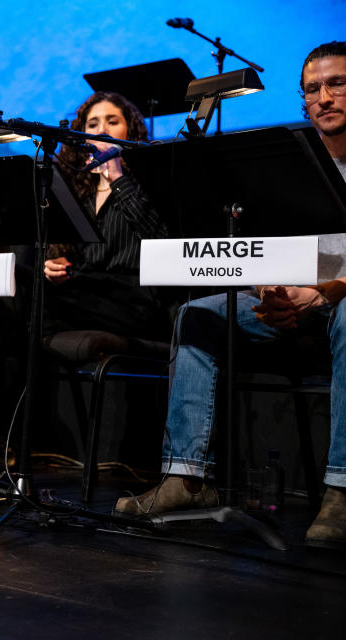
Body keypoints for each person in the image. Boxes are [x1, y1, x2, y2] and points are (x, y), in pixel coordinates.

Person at [114, 41, 346, 548]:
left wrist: (321, 294)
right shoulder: (289, 160)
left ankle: (341, 490)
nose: (324, 97)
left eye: (337, 84)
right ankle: (187, 479)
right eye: (312, 89)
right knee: (198, 312)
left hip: (338, 302)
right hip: (291, 300)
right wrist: (271, 286)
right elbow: (263, 245)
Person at [0, 91, 169, 419]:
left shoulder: (145, 180)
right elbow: (65, 253)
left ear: (131, 130)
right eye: (93, 123)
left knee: (5, 308)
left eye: (113, 121)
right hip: (84, 295)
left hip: (133, 300)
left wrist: (119, 180)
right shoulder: (78, 188)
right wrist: (51, 265)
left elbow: (160, 237)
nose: (102, 130)